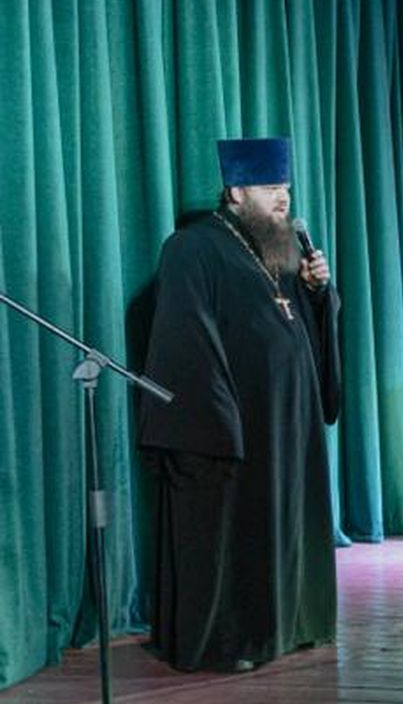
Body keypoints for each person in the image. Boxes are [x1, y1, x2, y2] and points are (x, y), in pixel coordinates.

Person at [140, 136, 341, 672]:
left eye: (286, 186)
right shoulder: (192, 248)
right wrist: (219, 419)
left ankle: (293, 624)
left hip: (290, 421)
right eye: (271, 187)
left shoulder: (280, 249)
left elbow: (295, 320)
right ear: (235, 192)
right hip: (238, 422)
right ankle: (238, 639)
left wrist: (318, 294)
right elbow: (186, 338)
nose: (284, 197)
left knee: (289, 523)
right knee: (241, 532)